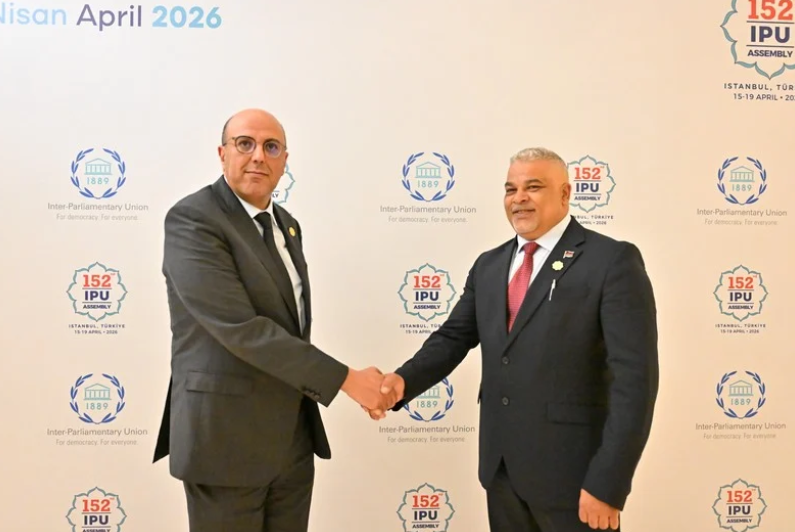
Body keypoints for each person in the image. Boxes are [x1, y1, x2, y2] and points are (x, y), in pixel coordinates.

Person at [374, 147, 659, 532]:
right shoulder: (489, 265)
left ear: (565, 193)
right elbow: (453, 338)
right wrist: (401, 382)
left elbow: (635, 382)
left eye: (533, 187)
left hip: (576, 480)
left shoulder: (611, 261)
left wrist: (609, 482)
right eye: (511, 189)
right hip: (502, 472)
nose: (519, 198)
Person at [152, 108, 388, 532]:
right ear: (222, 154)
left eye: (271, 147)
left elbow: (288, 325)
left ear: (284, 161)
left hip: (291, 441)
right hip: (224, 441)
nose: (258, 155)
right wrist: (348, 380)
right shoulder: (194, 220)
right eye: (245, 144)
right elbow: (243, 330)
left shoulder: (287, 226)